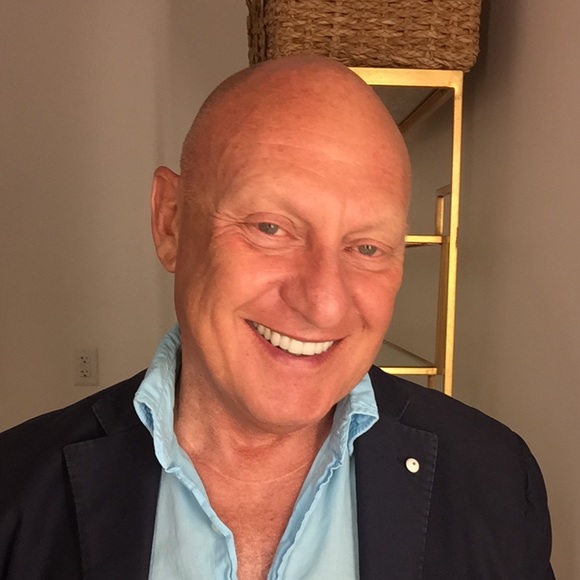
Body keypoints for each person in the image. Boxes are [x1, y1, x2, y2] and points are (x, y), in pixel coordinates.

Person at [0, 55, 553, 579]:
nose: (324, 303)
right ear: (171, 222)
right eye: (270, 228)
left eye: (367, 247)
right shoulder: (15, 489)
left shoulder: (498, 481)